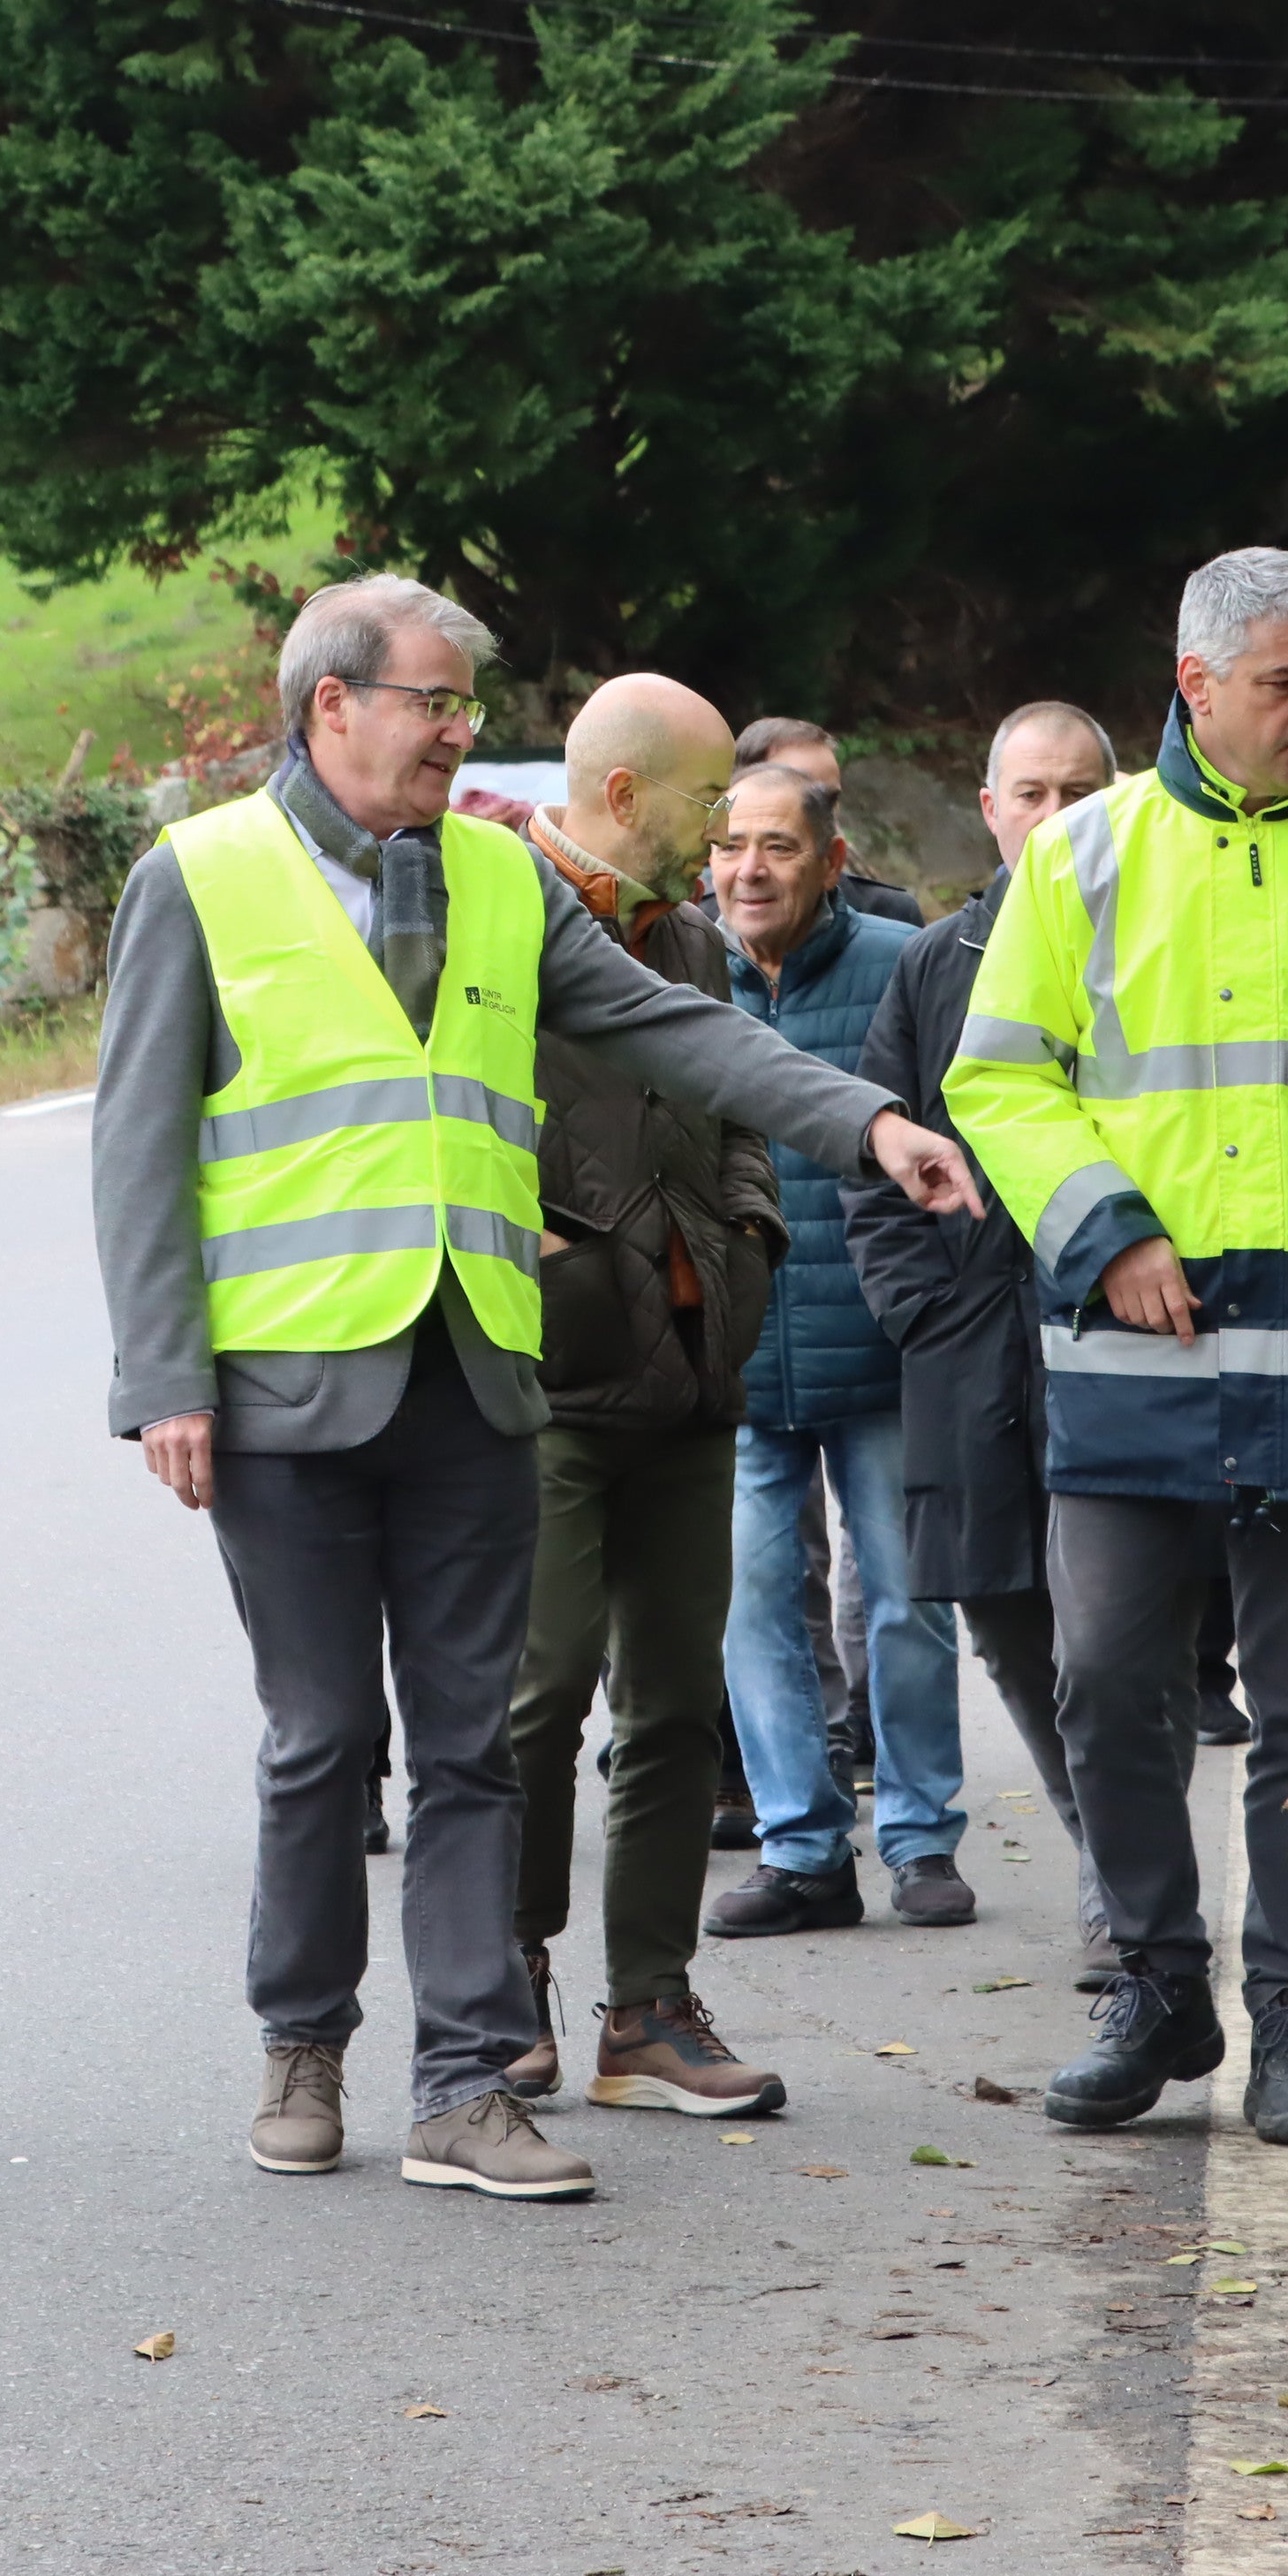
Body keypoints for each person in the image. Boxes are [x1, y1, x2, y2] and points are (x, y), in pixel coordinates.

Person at [92, 574, 981, 2202]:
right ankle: (302, 2044)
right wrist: (164, 1377)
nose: (455, 732)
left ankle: (460, 2084)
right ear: (332, 707)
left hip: (480, 1377)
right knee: (320, 1735)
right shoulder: (201, 879)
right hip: (286, 1384)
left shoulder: (501, 879)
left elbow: (673, 1029)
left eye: (457, 705)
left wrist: (866, 1124)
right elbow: (138, 1145)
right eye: (432, 702)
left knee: (470, 1750)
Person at [946, 547, 1288, 2149]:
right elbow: (998, 1080)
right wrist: (1106, 1229)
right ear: (1197, 686)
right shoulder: (1083, 860)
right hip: (1128, 1326)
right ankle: (1160, 1988)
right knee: (1110, 1684)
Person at [498, 673, 794, 2121]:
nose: (728, 832)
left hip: (693, 1374)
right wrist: (546, 1263)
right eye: (704, 800)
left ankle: (650, 2011)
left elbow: (741, 1115)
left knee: (676, 1704)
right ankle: (504, 1986)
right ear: (623, 794)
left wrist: (749, 1244)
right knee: (536, 1697)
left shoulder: (691, 941)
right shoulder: (491, 919)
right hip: (549, 1383)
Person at [848, 700, 1117, 1991]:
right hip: (969, 1361)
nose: (1053, 818)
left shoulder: (1152, 953)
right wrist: (926, 1312)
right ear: (991, 806)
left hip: (1120, 1348)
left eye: (1079, 792)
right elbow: (875, 1165)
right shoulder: (933, 963)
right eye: (1031, 793)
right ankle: (1108, 1861)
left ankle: (1125, 1898)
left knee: (1115, 1639)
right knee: (1010, 1629)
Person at [701, 762, 975, 1939]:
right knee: (756, 1604)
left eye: (776, 846)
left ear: (832, 857)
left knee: (906, 1602)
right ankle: (803, 1847)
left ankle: (920, 1839)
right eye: (728, 847)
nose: (748, 869)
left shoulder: (897, 966)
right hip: (737, 1358)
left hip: (880, 1350)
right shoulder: (675, 977)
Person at [732, 716, 923, 927]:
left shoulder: (890, 915)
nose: (822, 814)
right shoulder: (697, 921)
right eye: (804, 799)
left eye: (830, 800)